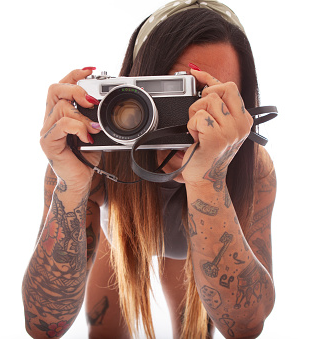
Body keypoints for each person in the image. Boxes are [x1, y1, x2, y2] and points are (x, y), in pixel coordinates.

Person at [22, 1, 277, 338]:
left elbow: (245, 326)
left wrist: (208, 180)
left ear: (245, 109)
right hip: (120, 233)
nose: (197, 122)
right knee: (107, 322)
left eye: (218, 101)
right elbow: (43, 326)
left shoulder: (251, 165)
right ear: (132, 85)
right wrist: (71, 185)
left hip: (202, 230)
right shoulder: (93, 150)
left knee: (194, 323)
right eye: (179, 94)